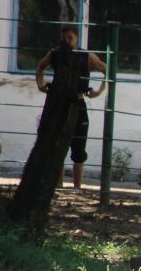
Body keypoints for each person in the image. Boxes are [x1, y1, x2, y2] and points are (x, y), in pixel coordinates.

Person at [35, 25, 107, 188]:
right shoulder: (55, 53)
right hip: (57, 103)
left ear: (77, 37)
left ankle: (77, 188)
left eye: (70, 38)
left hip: (77, 103)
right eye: (64, 38)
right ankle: (58, 186)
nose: (66, 41)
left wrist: (98, 91)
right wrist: (40, 85)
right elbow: (40, 66)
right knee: (56, 147)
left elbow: (106, 70)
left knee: (79, 149)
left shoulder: (86, 56)